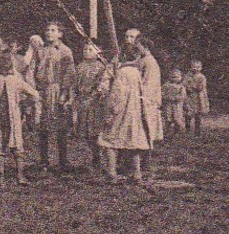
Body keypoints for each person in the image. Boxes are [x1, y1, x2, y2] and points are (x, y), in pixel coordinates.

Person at [0, 53, 38, 187]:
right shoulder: (16, 80)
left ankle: (1, 178)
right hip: (12, 116)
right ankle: (20, 176)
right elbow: (35, 95)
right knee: (17, 145)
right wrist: (25, 104)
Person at [34, 22, 77, 172]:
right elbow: (34, 70)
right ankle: (44, 160)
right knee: (43, 127)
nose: (49, 33)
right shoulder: (40, 51)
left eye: (53, 30)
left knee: (61, 126)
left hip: (58, 90)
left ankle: (63, 160)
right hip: (43, 90)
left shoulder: (65, 51)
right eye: (47, 30)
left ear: (60, 34)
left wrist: (64, 94)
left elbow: (69, 73)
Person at [99, 59, 152, 182]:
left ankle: (112, 172)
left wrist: (110, 112)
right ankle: (136, 173)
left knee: (110, 141)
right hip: (134, 112)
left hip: (120, 113)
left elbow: (116, 96)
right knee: (133, 142)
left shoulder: (121, 73)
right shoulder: (136, 72)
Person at [72, 42, 111, 170]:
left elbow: (103, 85)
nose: (87, 51)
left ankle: (102, 158)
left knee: (96, 132)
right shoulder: (80, 67)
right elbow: (75, 85)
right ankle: (95, 155)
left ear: (98, 52)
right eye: (85, 49)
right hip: (83, 102)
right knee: (86, 133)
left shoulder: (101, 67)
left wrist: (95, 95)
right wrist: (74, 98)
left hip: (96, 104)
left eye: (90, 49)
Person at [123, 28, 165, 147]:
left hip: (147, 98)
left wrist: (138, 95)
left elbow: (149, 83)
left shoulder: (150, 62)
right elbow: (132, 65)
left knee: (147, 126)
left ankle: (146, 151)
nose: (137, 49)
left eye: (139, 47)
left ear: (145, 47)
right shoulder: (141, 59)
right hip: (139, 96)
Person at [184, 59, 211, 134]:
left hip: (198, 97)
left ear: (201, 68)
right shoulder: (187, 76)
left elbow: (201, 87)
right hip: (189, 97)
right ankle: (187, 128)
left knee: (198, 114)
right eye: (193, 67)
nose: (195, 69)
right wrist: (187, 88)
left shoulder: (202, 77)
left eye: (198, 67)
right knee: (188, 113)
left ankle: (197, 129)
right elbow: (184, 84)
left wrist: (192, 87)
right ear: (190, 67)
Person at [163, 68, 189, 134]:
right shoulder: (166, 85)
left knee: (177, 119)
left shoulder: (181, 87)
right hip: (168, 104)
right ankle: (167, 131)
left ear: (181, 77)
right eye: (173, 77)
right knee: (168, 118)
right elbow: (162, 93)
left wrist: (176, 98)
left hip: (177, 105)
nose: (175, 79)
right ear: (169, 77)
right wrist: (167, 97)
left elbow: (183, 95)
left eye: (177, 77)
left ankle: (177, 132)